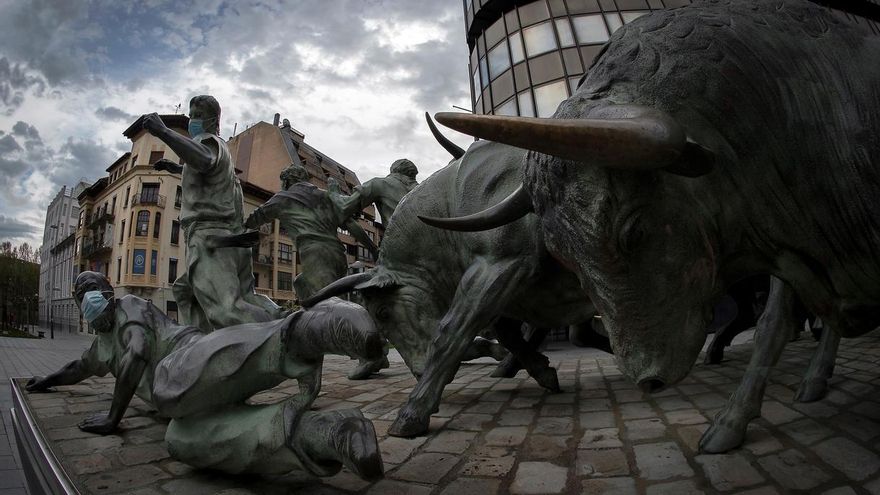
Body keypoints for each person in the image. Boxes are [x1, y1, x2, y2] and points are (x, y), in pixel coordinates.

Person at [26, 272, 384, 480]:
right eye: (83, 296)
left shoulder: (129, 306)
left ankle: (312, 329)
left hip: (189, 357)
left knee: (168, 386)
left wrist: (112, 417)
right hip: (185, 404)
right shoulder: (100, 346)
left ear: (109, 294)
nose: (93, 300)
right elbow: (76, 368)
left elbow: (136, 353)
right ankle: (326, 434)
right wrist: (44, 382)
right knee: (181, 439)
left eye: (98, 292)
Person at [141, 95, 280, 331]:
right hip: (231, 238)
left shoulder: (209, 142)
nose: (191, 121)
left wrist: (163, 132)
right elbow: (203, 170)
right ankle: (209, 342)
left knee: (226, 311)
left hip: (210, 237)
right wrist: (174, 167)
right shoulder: (219, 154)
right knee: (185, 291)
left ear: (213, 121)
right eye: (190, 115)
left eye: (197, 116)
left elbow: (204, 159)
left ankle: (283, 339)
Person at [244, 164, 377, 300]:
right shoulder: (326, 195)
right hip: (337, 255)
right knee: (301, 284)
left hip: (315, 255)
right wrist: (373, 249)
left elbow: (254, 219)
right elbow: (351, 225)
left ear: (287, 181)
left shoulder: (283, 198)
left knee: (331, 306)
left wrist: (238, 230)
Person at [337, 158, 418, 225]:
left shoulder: (379, 183)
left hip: (399, 240)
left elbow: (345, 206)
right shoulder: (420, 190)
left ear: (393, 170)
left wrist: (333, 193)